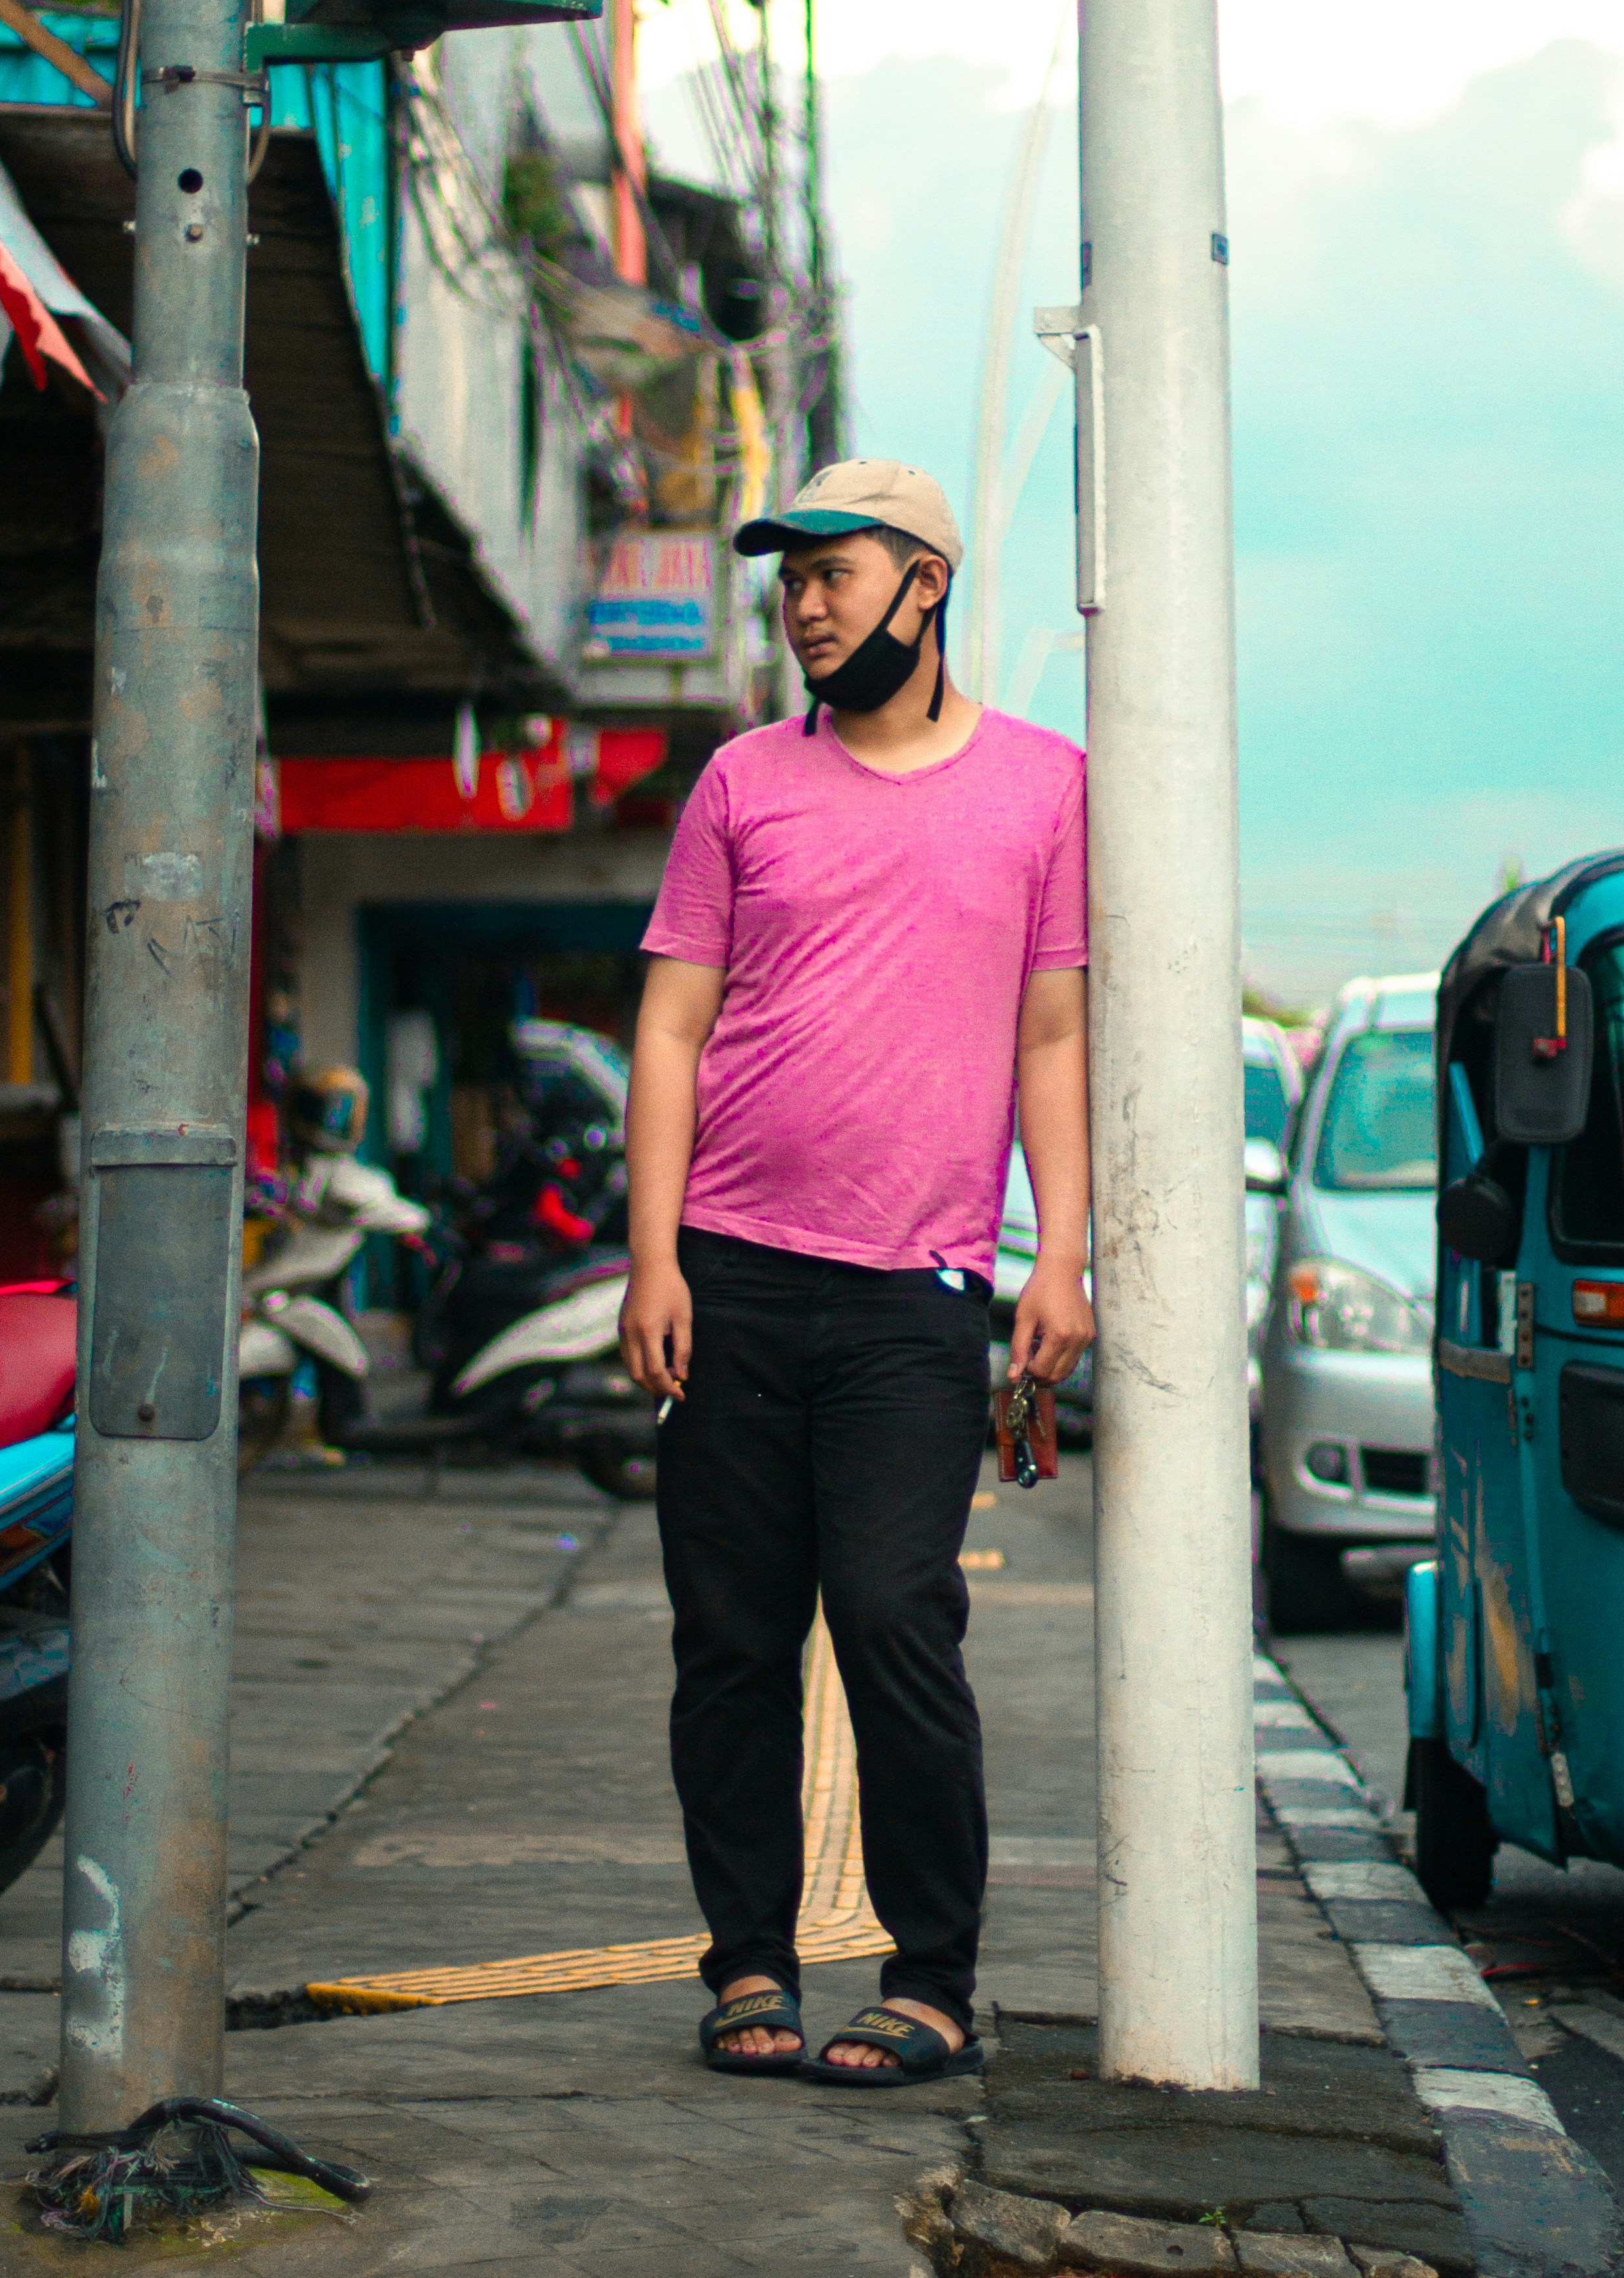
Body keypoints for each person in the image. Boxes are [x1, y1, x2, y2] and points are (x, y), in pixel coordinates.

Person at [619, 457, 1092, 2088]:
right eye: (790, 579)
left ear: (926, 585)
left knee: (895, 1615)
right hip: (732, 1278)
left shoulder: (1045, 785)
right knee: (732, 1637)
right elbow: (671, 1020)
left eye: (835, 573)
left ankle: (935, 1975)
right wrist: (651, 1253)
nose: (804, 604)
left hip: (917, 1291)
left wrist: (1062, 1256)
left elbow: (1049, 1031)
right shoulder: (741, 780)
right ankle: (747, 1961)